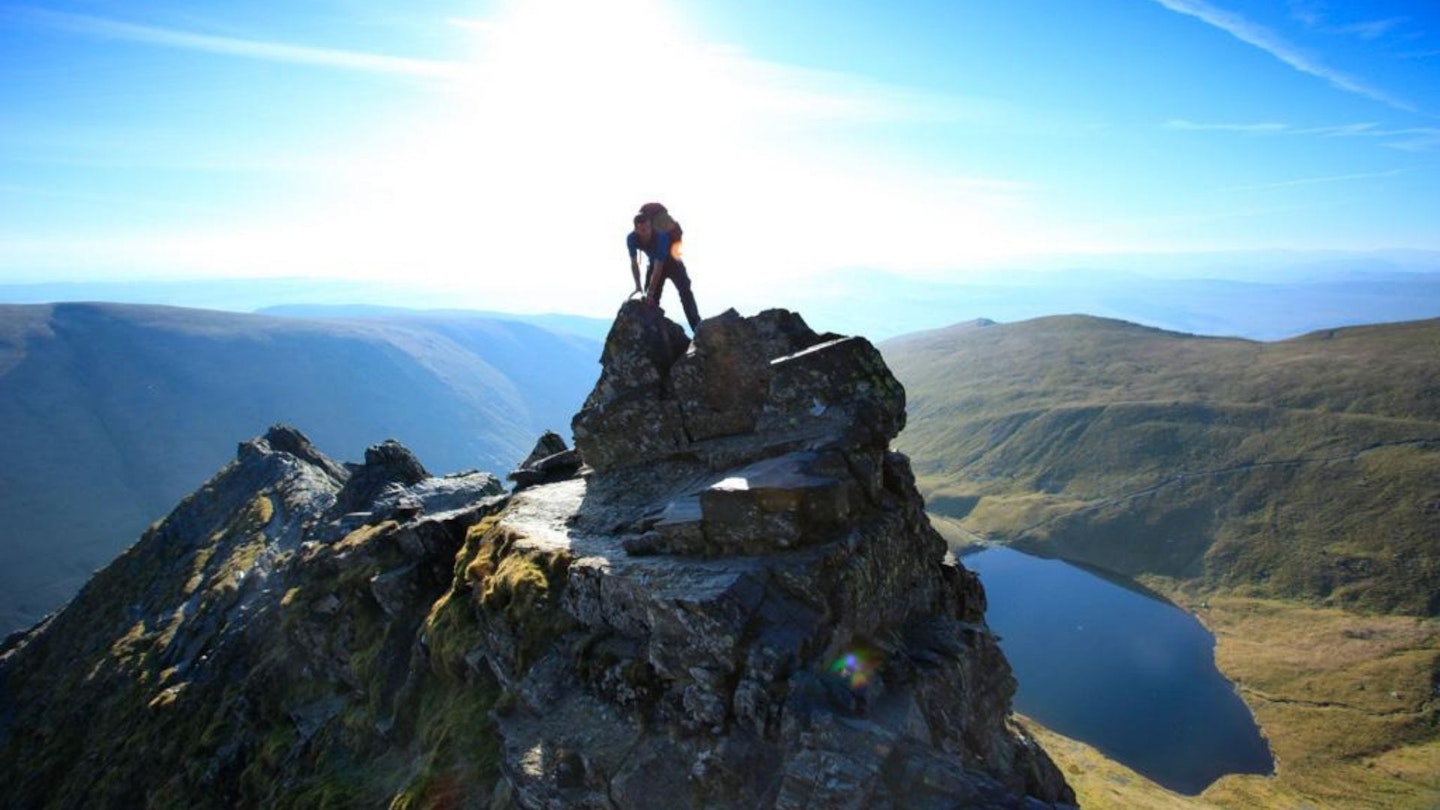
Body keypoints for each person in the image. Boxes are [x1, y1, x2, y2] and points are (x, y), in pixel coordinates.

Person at [626, 207, 701, 332]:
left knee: (685, 293)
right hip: (654, 262)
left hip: (673, 263)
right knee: (649, 303)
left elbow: (658, 267)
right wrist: (638, 287)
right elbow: (634, 263)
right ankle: (654, 334)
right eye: (643, 230)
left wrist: (650, 292)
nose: (647, 232)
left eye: (649, 228)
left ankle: (698, 329)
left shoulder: (661, 236)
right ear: (636, 229)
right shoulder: (631, 238)